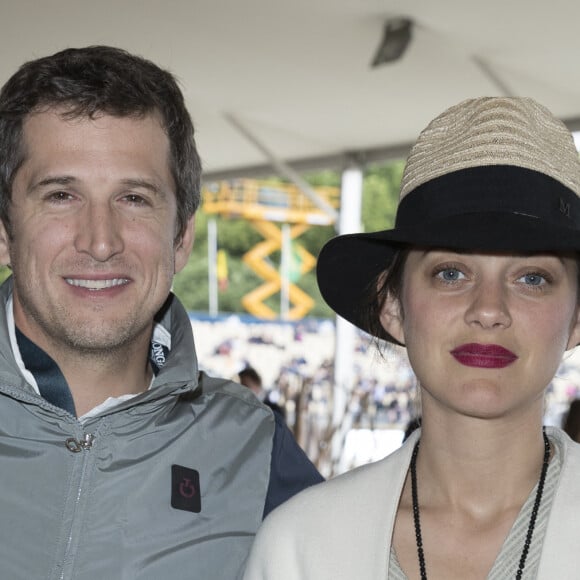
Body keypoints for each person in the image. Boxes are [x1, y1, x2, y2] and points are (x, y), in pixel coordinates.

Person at [0, 45, 322, 580]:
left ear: (181, 238)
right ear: (5, 232)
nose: (100, 241)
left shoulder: (255, 451)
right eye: (61, 195)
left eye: (134, 199)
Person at [243, 97, 580, 579]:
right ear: (393, 307)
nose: (488, 309)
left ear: (576, 318)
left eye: (531, 278)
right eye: (451, 273)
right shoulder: (300, 545)